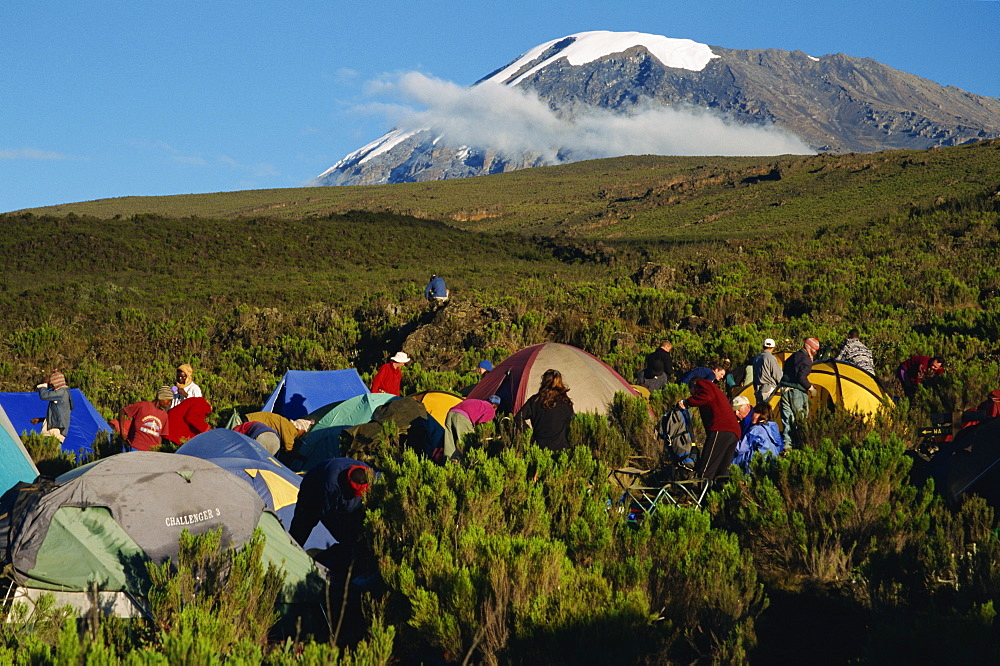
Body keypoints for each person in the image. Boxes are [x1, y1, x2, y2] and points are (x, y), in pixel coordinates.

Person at [290, 457, 372, 574]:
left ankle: (333, 562)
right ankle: (289, 554)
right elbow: (326, 513)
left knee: (350, 540)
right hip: (313, 494)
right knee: (301, 527)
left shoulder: (370, 475)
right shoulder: (331, 483)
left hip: (342, 506)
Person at [678, 370, 741, 480]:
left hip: (720, 428)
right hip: (734, 432)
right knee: (722, 469)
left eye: (692, 392)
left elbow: (706, 396)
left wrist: (687, 402)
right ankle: (718, 493)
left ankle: (703, 494)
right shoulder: (717, 391)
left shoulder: (703, 384)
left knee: (706, 468)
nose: (693, 395)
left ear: (693, 386)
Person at [516, 369, 575, 451]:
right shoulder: (565, 402)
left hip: (538, 448)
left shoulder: (535, 400)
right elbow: (572, 422)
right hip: (561, 449)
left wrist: (529, 434)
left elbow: (519, 418)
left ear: (544, 382)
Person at [779, 337, 820, 450]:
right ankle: (800, 445)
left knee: (787, 419)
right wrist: (810, 388)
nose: (815, 352)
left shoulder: (794, 356)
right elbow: (801, 377)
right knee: (800, 420)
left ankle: (787, 446)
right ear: (810, 348)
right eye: (815, 350)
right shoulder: (806, 360)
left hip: (784, 390)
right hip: (796, 392)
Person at [441, 395, 500, 462]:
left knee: (449, 441)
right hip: (462, 417)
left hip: (450, 413)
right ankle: (463, 463)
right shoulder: (490, 409)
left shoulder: (479, 402)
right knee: (467, 442)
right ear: (495, 406)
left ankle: (448, 463)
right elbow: (483, 425)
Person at [732, 403, 784, 473]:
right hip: (771, 465)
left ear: (760, 414)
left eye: (754, 413)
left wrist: (729, 442)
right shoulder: (773, 428)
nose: (751, 415)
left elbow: (740, 449)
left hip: (755, 466)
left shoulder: (756, 430)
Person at [118, 386, 174, 451]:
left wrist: (158, 449)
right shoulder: (142, 406)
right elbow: (122, 412)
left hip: (151, 451)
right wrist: (122, 432)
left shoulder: (164, 415)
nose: (169, 403)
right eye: (168, 400)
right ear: (161, 398)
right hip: (135, 447)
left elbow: (160, 435)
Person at [243, 411, 314, 459]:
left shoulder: (287, 424)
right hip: (251, 422)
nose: (302, 434)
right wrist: (300, 457)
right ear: (300, 429)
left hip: (250, 419)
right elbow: (288, 448)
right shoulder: (291, 429)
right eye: (303, 432)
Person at [33, 371, 73, 443]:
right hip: (54, 431)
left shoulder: (61, 392)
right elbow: (58, 414)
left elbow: (44, 395)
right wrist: (41, 420)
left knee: (49, 451)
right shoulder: (63, 393)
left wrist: (43, 384)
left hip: (54, 433)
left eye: (51, 384)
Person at [752, 338, 783, 406]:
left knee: (760, 412)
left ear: (763, 346)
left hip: (758, 389)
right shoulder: (770, 358)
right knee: (768, 412)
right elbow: (777, 375)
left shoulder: (757, 358)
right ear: (773, 347)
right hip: (768, 389)